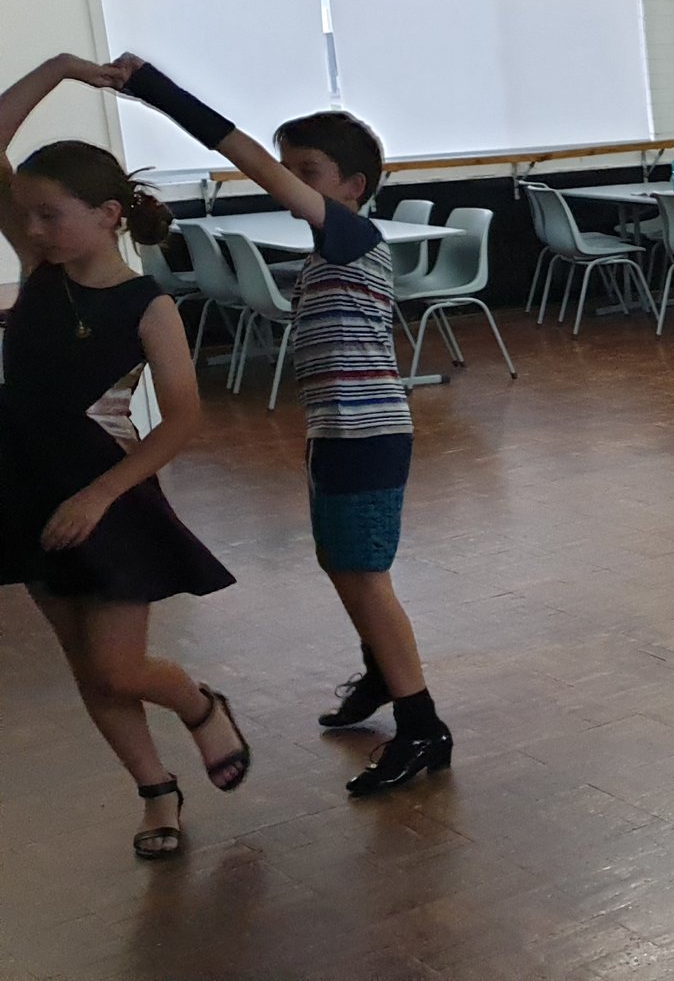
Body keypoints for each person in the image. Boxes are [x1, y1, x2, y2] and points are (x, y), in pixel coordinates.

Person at [113, 58, 453, 796]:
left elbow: (241, 152)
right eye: (292, 166)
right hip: (336, 432)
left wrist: (153, 89)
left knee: (364, 576)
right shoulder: (332, 245)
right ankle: (379, 673)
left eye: (308, 169)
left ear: (353, 187)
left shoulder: (353, 233)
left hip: (365, 434)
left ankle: (422, 725)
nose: (290, 178)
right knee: (345, 566)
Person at [1, 53, 250, 859]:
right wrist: (63, 70)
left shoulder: (149, 306)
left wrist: (99, 496)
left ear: (109, 214)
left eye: (50, 215)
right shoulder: (40, 271)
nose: (32, 230)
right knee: (85, 664)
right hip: (23, 485)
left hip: (105, 493)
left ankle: (198, 702)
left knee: (117, 665)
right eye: (26, 216)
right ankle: (156, 793)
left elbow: (182, 420)